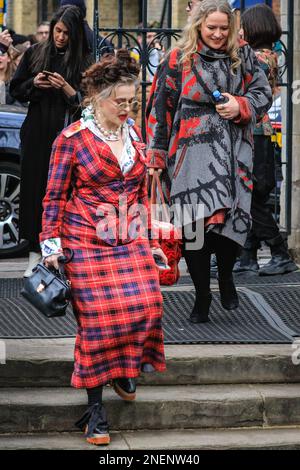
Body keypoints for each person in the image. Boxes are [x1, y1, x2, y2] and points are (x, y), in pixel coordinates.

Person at [39, 49, 166, 446]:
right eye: (121, 102)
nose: (128, 109)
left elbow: (141, 195)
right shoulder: (72, 139)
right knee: (97, 322)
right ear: (97, 98)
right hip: (84, 239)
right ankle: (95, 409)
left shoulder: (134, 137)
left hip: (127, 234)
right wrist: (51, 247)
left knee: (148, 303)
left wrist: (150, 240)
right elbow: (53, 197)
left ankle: (124, 368)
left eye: (132, 101)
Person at [146, 0, 272, 323]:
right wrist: (157, 155)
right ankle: (201, 295)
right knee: (194, 229)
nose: (217, 34)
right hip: (190, 152)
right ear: (199, 25)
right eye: (211, 27)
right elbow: (161, 109)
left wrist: (241, 106)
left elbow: (263, 92)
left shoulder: (242, 56)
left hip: (234, 152)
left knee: (231, 223)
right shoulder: (178, 59)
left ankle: (226, 276)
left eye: (223, 28)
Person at [10, 5, 93, 277]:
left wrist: (68, 90)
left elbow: (91, 105)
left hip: (69, 136)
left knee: (65, 194)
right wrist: (35, 83)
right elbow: (16, 90)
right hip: (37, 133)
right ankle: (35, 252)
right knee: (35, 191)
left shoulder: (84, 60)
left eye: (66, 33)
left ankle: (64, 252)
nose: (60, 38)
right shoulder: (35, 53)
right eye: (57, 31)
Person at [234, 4, 297, 276]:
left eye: (243, 25)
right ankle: (247, 255)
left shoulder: (257, 57)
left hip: (255, 132)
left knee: (251, 195)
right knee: (250, 193)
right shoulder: (266, 54)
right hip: (259, 131)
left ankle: (279, 252)